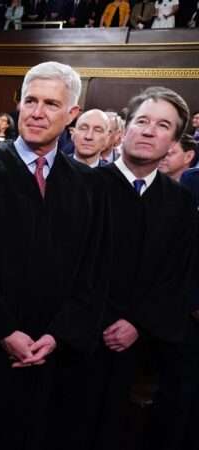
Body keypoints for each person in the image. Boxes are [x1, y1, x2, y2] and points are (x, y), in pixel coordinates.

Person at [0, 61, 106, 450]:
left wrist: (57, 334)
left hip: (56, 357)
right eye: (30, 100)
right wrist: (4, 330)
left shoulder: (88, 184)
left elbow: (93, 268)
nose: (37, 112)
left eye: (51, 103)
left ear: (72, 114)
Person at [88, 87, 198, 450]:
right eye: (143, 121)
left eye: (163, 125)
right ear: (125, 130)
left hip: (140, 349)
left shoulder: (180, 203)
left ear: (173, 142)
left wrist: (138, 323)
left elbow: (178, 274)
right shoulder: (82, 185)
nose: (150, 131)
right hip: (77, 339)